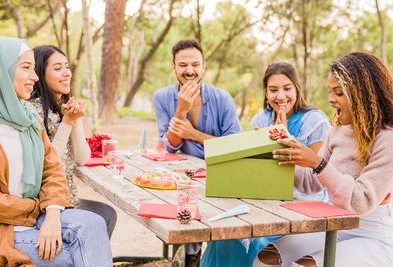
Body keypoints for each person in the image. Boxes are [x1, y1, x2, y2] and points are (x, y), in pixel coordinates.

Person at [256, 52, 393, 267]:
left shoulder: (387, 139)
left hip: (373, 233)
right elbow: (311, 182)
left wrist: (317, 164)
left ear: (362, 95)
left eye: (338, 93)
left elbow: (362, 201)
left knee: (304, 266)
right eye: (331, 92)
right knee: (265, 259)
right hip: (335, 224)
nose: (330, 99)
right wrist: (280, 148)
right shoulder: (338, 130)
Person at [0, 36, 112, 266]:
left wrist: (53, 214)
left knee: (96, 224)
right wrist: (37, 208)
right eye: (26, 68)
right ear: (0, 71)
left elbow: (53, 169)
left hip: (38, 213)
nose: (34, 77)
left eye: (34, 69)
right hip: (2, 227)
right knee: (71, 254)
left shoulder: (27, 116)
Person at [201, 62, 331, 267]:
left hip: (304, 201)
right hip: (266, 197)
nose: (281, 96)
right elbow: (256, 167)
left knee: (258, 240)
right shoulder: (260, 120)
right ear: (265, 92)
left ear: (297, 88)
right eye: (273, 90)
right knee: (228, 235)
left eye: (287, 88)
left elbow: (314, 178)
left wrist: (284, 138)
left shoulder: (315, 121)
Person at [153, 39, 242, 267]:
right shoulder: (162, 97)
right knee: (184, 219)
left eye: (195, 64)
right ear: (174, 67)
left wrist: (193, 134)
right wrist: (181, 109)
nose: (189, 70)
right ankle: (189, 258)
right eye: (183, 65)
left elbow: (236, 146)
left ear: (204, 66)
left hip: (223, 174)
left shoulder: (222, 99)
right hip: (186, 178)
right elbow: (170, 145)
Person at [28, 45, 117, 239]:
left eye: (67, 66)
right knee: (103, 216)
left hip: (68, 196)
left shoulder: (62, 107)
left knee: (107, 214)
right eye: (57, 68)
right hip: (46, 203)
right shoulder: (32, 111)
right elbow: (47, 163)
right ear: (40, 74)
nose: (66, 73)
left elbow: (82, 158)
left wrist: (74, 120)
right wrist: (67, 122)